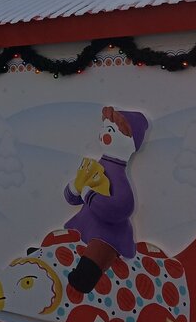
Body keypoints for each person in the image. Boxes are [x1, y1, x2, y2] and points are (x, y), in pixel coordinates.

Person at [63, 106, 148, 293]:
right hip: (86, 221)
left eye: (110, 130)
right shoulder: (95, 167)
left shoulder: (118, 176)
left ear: (130, 141)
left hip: (108, 232)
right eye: (104, 128)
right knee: (67, 237)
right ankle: (48, 256)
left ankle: (85, 279)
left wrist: (89, 195)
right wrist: (74, 188)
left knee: (100, 249)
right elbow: (73, 198)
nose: (104, 134)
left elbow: (123, 206)